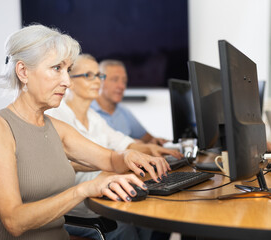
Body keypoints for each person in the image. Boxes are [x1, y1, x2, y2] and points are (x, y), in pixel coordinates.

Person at [0, 24, 169, 240]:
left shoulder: (56, 128)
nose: (66, 81)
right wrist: (83, 189)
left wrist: (129, 155)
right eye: (57, 68)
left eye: (68, 70)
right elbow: (15, 221)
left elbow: (111, 160)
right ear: (23, 71)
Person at [48, 54, 182, 239]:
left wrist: (151, 151)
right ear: (69, 80)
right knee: (126, 228)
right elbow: (63, 165)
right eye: (89, 75)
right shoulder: (57, 115)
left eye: (99, 75)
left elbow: (123, 143)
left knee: (151, 220)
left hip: (103, 197)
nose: (97, 81)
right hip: (76, 206)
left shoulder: (95, 118)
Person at [90, 60, 168, 146]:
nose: (122, 86)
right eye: (115, 80)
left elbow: (148, 139)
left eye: (124, 81)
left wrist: (155, 141)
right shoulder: (88, 111)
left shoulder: (123, 111)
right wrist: (133, 143)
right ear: (99, 81)